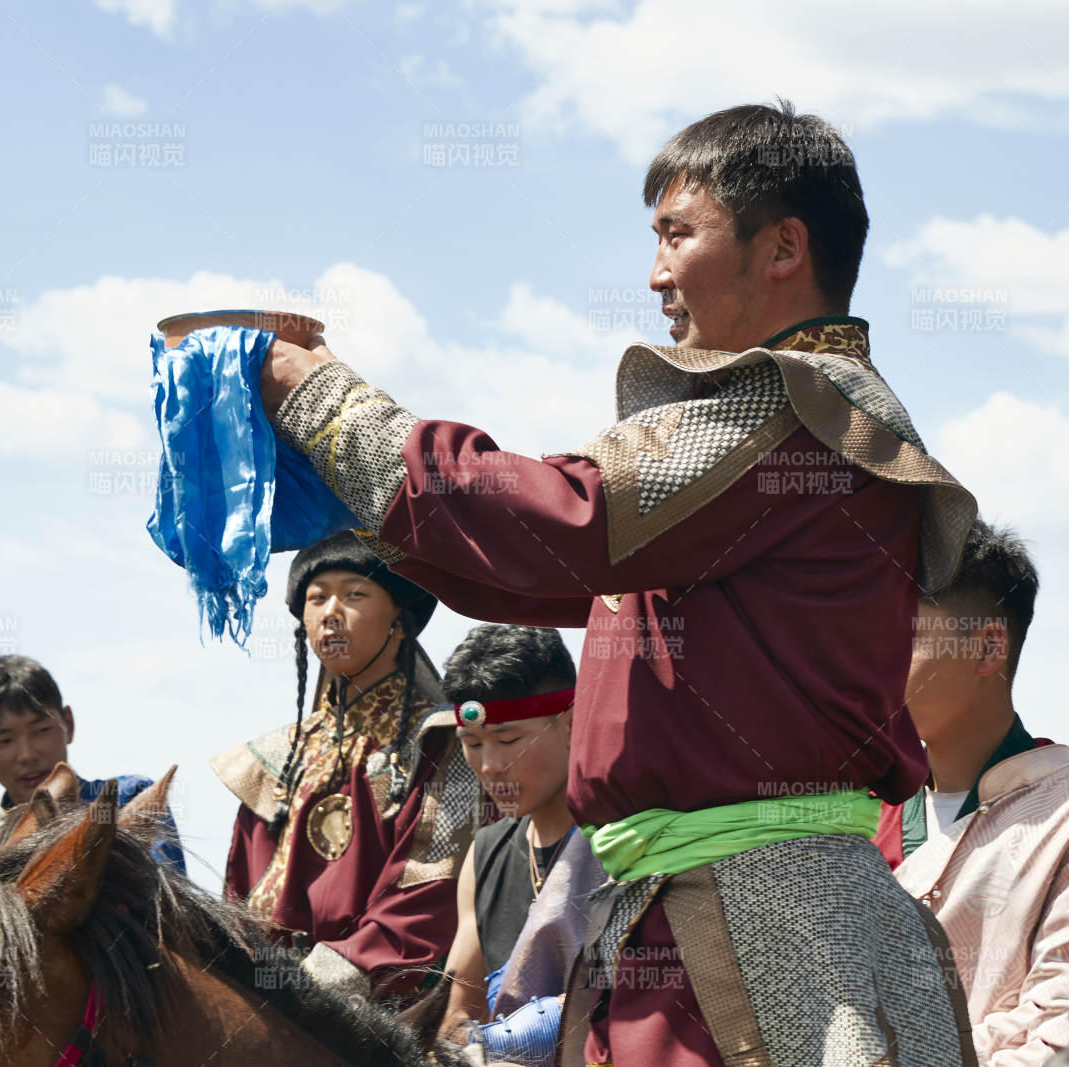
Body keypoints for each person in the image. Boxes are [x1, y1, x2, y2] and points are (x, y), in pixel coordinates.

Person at [257, 100, 978, 1064]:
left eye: (678, 235)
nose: (655, 274)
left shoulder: (797, 403)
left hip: (769, 936)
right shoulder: (774, 438)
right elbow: (534, 566)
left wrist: (321, 398)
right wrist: (343, 467)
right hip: (697, 918)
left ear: (783, 248)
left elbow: (569, 518)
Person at [212, 531, 483, 999]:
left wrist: (331, 977)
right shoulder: (277, 760)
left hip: (393, 1003)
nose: (330, 612)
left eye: (354, 594)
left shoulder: (442, 744)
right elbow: (238, 901)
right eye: (316, 599)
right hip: (273, 1001)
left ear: (400, 617)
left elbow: (429, 893)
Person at [875, 520, 1069, 1064]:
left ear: (988, 647)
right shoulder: (857, 817)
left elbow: (1057, 1028)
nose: (871, 667)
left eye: (902, 639)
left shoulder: (1059, 809)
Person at [439, 624, 605, 1067]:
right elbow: (460, 1008)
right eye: (472, 744)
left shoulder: (621, 836)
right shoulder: (485, 854)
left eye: (509, 740)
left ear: (571, 722)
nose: (490, 766)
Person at [0, 654, 185, 872]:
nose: (27, 755)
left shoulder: (128, 800)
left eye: (41, 730)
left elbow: (167, 907)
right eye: (4, 740)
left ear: (68, 724)